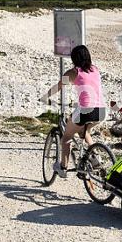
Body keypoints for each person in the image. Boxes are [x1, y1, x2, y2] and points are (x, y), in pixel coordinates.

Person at [40, 45, 106, 178]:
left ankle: (63, 168)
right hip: (102, 111)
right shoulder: (95, 69)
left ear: (74, 58)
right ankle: (95, 157)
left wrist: (46, 97)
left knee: (66, 137)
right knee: (84, 131)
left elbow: (59, 86)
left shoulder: (73, 73)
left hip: (85, 110)